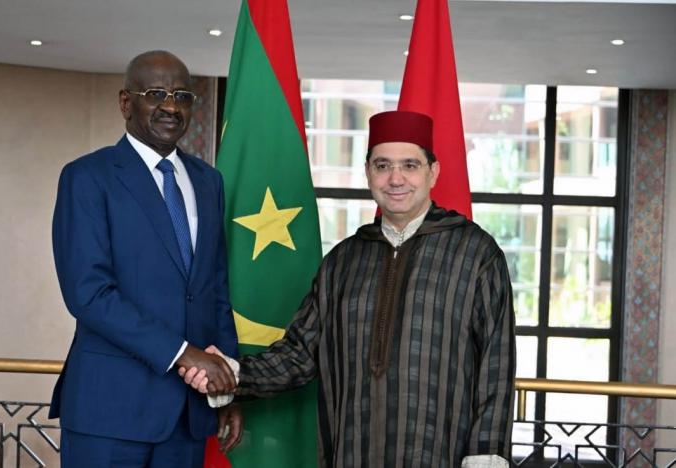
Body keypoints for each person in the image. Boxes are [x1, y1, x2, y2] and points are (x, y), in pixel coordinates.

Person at [183, 110, 516, 467]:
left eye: (410, 165)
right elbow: (299, 354)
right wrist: (230, 373)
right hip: (353, 450)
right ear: (368, 172)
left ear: (432, 172)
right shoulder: (343, 260)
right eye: (383, 165)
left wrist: (486, 451)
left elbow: (496, 361)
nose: (396, 178)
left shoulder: (475, 253)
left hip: (438, 452)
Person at [49, 50, 241, 468]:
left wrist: (226, 387)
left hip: (188, 414)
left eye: (183, 96)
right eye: (156, 94)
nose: (171, 107)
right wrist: (183, 353)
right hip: (109, 412)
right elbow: (88, 293)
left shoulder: (208, 182)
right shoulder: (87, 177)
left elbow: (216, 290)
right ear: (125, 102)